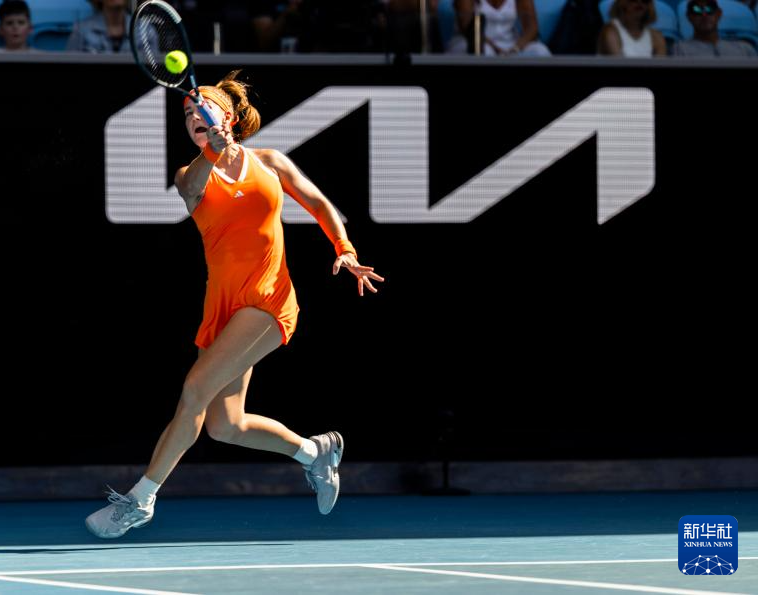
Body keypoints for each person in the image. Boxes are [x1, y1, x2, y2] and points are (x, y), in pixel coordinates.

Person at [84, 70, 385, 539]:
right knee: (226, 426)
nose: (193, 117)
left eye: (202, 109)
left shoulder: (270, 162)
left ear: (228, 116)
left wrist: (344, 249)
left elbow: (319, 203)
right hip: (223, 307)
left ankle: (140, 500)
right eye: (188, 113)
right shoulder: (189, 174)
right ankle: (315, 453)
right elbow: (192, 188)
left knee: (194, 390)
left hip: (268, 300)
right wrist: (212, 149)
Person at [447, 0, 552, 55]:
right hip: (473, 42)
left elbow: (532, 27)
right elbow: (467, 26)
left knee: (540, 51)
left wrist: (515, 48)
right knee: (485, 53)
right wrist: (497, 50)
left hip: (510, 44)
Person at [673, 0, 757, 57]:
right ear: (689, 17)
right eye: (697, 10)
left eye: (709, 8)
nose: (704, 15)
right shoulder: (680, 49)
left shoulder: (744, 49)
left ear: (718, 14)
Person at [597, 0, 667, 56]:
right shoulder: (610, 31)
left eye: (645, 1)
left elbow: (660, 65)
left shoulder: (656, 36)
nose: (639, 3)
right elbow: (618, 64)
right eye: (633, 0)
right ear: (622, 3)